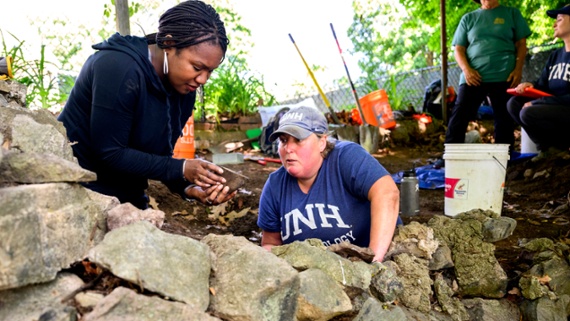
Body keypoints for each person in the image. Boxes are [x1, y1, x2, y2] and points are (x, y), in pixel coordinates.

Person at [58, 0, 235, 209]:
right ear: (168, 45)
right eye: (197, 67)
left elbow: (159, 158)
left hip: (128, 194)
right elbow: (109, 152)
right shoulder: (119, 67)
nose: (203, 79)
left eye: (210, 71)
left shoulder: (184, 88)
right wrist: (182, 167)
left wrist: (187, 187)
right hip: (78, 192)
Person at [256, 106, 401, 263]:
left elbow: (387, 193)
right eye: (283, 140)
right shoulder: (275, 186)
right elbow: (271, 244)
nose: (289, 148)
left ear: (322, 142)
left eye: (298, 140)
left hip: (372, 263)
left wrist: (375, 264)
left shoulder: (346, 158)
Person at [443, 0, 531, 156]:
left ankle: (504, 157)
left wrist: (518, 69)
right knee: (459, 115)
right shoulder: (468, 18)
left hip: (504, 74)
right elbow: (458, 49)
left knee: (504, 117)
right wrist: (466, 70)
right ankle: (450, 155)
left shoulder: (512, 13)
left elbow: (521, 44)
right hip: (473, 76)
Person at [507, 4, 570, 159]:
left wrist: (538, 103)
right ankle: (549, 149)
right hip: (554, 109)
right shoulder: (555, 55)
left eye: (559, 19)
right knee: (514, 103)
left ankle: (560, 145)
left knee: (529, 111)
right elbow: (543, 85)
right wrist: (531, 86)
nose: (554, 24)